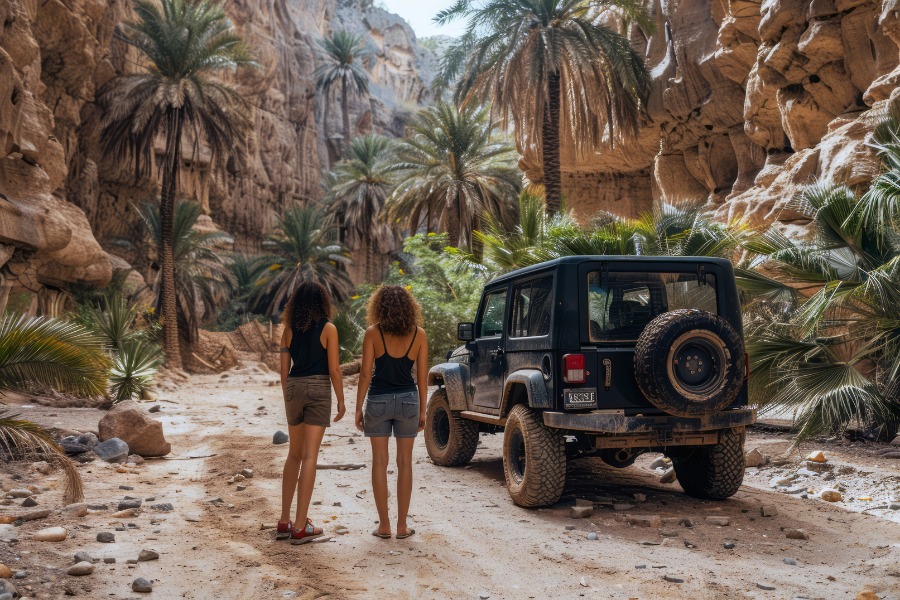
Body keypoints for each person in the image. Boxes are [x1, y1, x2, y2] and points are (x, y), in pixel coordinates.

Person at [355, 285, 428, 539]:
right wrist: (423, 411)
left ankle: (384, 526)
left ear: (379, 306)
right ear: (410, 308)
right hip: (409, 401)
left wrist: (358, 408)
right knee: (405, 463)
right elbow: (421, 377)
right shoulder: (419, 334)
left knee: (379, 462)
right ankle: (402, 526)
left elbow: (365, 374)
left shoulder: (372, 333)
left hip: (378, 400)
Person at [277, 281, 346, 544]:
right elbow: (334, 369)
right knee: (310, 457)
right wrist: (341, 399)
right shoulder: (328, 328)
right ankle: (299, 526)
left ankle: (284, 521)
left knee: (293, 454)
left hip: (293, 388)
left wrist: (290, 397)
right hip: (318, 387)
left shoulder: (288, 330)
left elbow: (284, 374)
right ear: (323, 301)